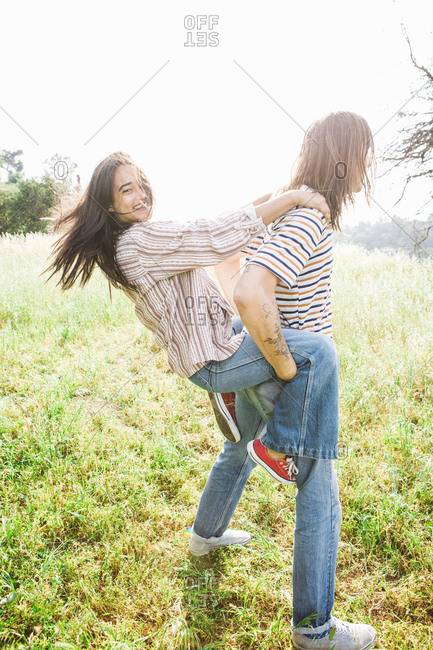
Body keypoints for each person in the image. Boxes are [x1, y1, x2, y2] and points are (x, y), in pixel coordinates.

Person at [190, 112, 377, 650]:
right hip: (290, 374)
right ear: (344, 157)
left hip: (263, 364)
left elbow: (230, 257)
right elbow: (252, 290)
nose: (369, 164)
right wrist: (285, 362)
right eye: (364, 152)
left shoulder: (290, 208)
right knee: (320, 488)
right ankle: (314, 629)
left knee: (238, 449)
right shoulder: (307, 219)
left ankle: (206, 536)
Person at [46, 152, 336, 488]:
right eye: (127, 190)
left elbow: (213, 227)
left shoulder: (127, 241)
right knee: (319, 351)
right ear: (109, 205)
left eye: (141, 186)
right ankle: (275, 445)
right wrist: (294, 198)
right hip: (212, 359)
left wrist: (274, 197)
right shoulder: (140, 241)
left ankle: (205, 537)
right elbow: (213, 236)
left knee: (236, 448)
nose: (140, 196)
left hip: (210, 341)